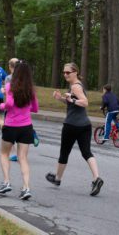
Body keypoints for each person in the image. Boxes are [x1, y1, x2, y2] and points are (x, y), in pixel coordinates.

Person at [46, 62, 104, 196]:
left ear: (75, 72)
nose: (65, 74)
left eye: (68, 72)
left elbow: (84, 102)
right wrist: (60, 98)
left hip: (72, 125)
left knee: (64, 153)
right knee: (86, 152)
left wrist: (71, 100)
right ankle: (96, 178)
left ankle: (58, 179)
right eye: (64, 72)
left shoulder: (76, 86)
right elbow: (73, 103)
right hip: (85, 125)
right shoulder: (77, 85)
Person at [0, 61, 38, 200]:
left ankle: (6, 182)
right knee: (23, 158)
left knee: (4, 153)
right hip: (26, 126)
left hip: (11, 126)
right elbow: (35, 108)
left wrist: (2, 106)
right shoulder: (31, 90)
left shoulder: (10, 86)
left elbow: (9, 104)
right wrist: (25, 108)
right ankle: (26, 187)